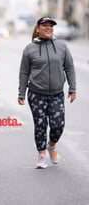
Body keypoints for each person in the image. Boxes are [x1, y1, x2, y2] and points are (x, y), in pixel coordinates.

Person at [18, 16, 77, 169]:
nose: (48, 28)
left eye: (51, 26)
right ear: (37, 28)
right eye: (45, 25)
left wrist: (72, 88)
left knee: (58, 125)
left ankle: (52, 146)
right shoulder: (29, 49)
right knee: (40, 125)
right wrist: (21, 93)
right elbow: (24, 73)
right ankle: (42, 155)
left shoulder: (62, 46)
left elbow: (69, 67)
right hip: (36, 93)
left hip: (56, 94)